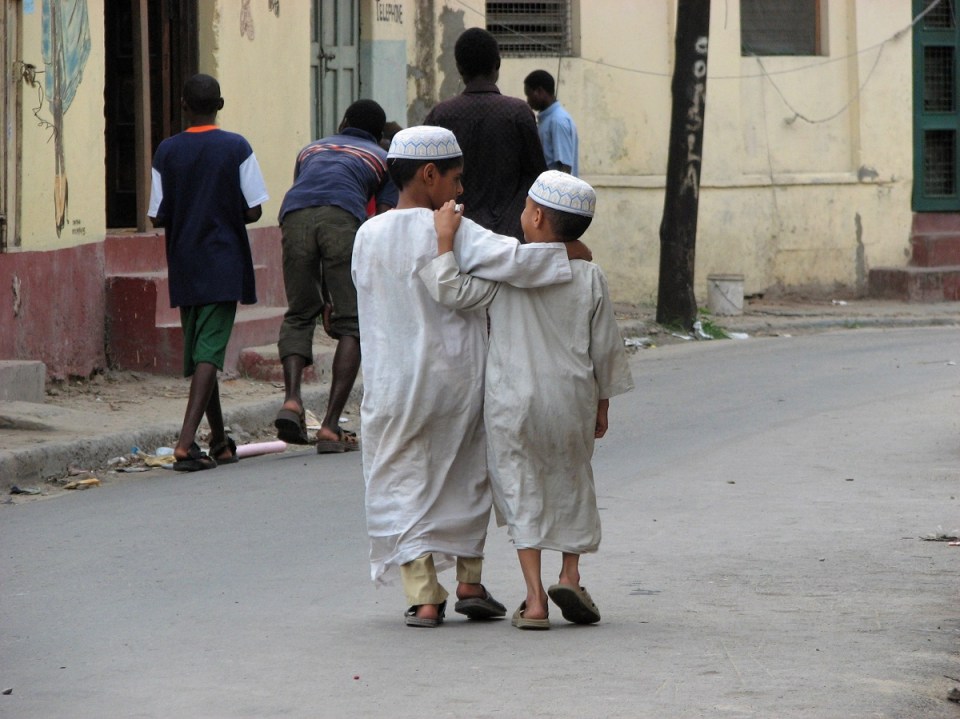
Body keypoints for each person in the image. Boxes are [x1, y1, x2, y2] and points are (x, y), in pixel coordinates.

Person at [352, 126, 592, 628]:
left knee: (401, 483)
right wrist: (570, 252)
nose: (461, 192)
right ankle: (468, 580)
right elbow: (517, 261)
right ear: (430, 174)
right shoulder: (457, 229)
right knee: (465, 476)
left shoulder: (366, 234)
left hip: (391, 385)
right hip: (456, 379)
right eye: (457, 179)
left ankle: (424, 597)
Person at [420, 171, 634, 630]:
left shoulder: (507, 272)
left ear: (535, 216)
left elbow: (451, 291)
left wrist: (443, 243)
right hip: (571, 398)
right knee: (572, 481)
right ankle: (570, 576)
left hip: (512, 403)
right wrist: (603, 404)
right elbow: (606, 347)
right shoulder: (590, 276)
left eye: (524, 208)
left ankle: (535, 600)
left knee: (521, 489)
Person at [147, 73, 269, 472]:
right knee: (209, 355)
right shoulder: (236, 147)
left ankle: (219, 442)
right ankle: (185, 443)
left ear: (183, 105)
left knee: (204, 352)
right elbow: (254, 209)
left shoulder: (166, 151)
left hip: (184, 261)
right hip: (223, 259)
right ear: (220, 105)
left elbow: (156, 215)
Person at [274, 100, 398, 453]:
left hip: (294, 215)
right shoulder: (382, 158)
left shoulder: (310, 149)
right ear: (378, 133)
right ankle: (329, 426)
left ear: (343, 122)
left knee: (299, 313)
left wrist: (323, 297)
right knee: (353, 323)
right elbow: (382, 220)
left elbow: (310, 200)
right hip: (344, 217)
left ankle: (293, 400)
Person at [425, 27, 545, 241]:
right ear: (496, 65)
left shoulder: (440, 115)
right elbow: (537, 176)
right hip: (510, 239)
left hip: (456, 235)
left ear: (459, 68)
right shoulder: (518, 113)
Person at [523, 69, 580, 176]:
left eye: (529, 95)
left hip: (557, 190)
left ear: (540, 91)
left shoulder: (558, 121)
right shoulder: (548, 119)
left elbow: (565, 168)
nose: (528, 100)